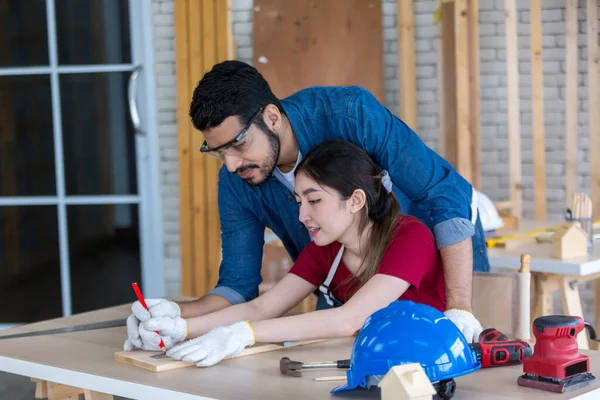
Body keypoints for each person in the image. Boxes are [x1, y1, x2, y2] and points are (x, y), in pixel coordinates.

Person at [128, 60, 488, 343]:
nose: (232, 164)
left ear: (271, 117)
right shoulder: (236, 181)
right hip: (343, 288)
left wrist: (459, 305)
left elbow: (445, 195)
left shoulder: (350, 114)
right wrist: (176, 318)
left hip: (437, 277)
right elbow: (241, 290)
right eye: (218, 152)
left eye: (238, 144)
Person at [126, 140, 446, 368]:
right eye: (298, 201)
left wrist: (244, 334)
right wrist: (181, 327)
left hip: (430, 367)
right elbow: (264, 307)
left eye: (314, 200)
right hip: (372, 365)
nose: (301, 215)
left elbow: (350, 319)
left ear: (356, 200)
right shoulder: (328, 249)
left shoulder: (409, 236)